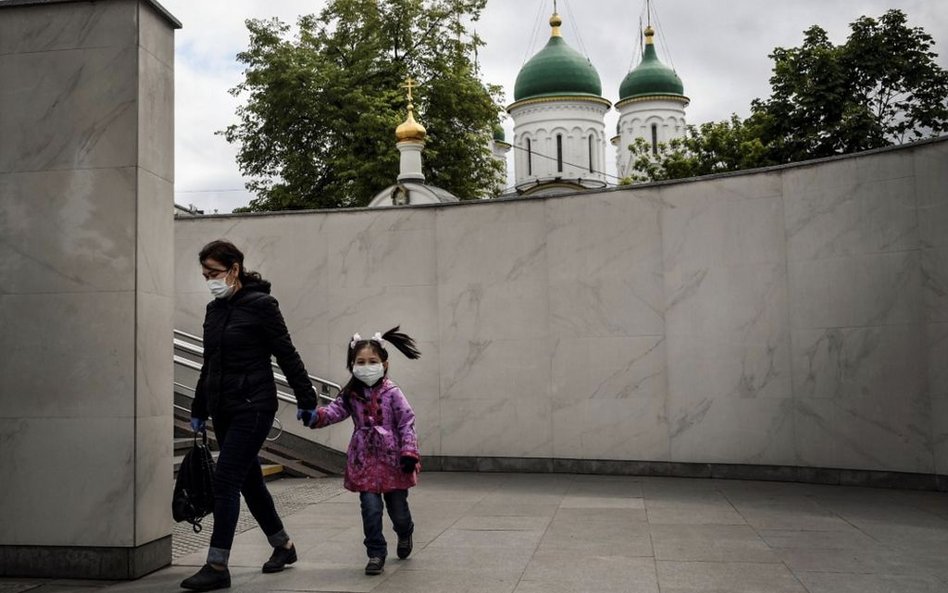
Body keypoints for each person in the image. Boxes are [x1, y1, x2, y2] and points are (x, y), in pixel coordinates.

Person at [181, 240, 319, 592]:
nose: (210, 280)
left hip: (254, 406)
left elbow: (286, 352)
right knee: (250, 481)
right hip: (223, 408)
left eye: (214, 273)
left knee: (226, 481)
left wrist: (306, 397)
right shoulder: (214, 311)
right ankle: (283, 546)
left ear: (234, 269)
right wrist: (199, 408)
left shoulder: (262, 305)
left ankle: (216, 564)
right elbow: (209, 362)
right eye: (205, 275)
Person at [304, 327, 421, 575]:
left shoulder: (393, 393)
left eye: (372, 361)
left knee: (398, 511)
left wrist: (409, 452)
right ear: (352, 365)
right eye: (361, 362)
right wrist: (315, 416)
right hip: (364, 460)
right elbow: (334, 412)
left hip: (394, 462)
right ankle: (376, 552)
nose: (366, 366)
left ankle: (405, 531)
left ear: (384, 364)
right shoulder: (351, 395)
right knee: (370, 508)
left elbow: (406, 423)